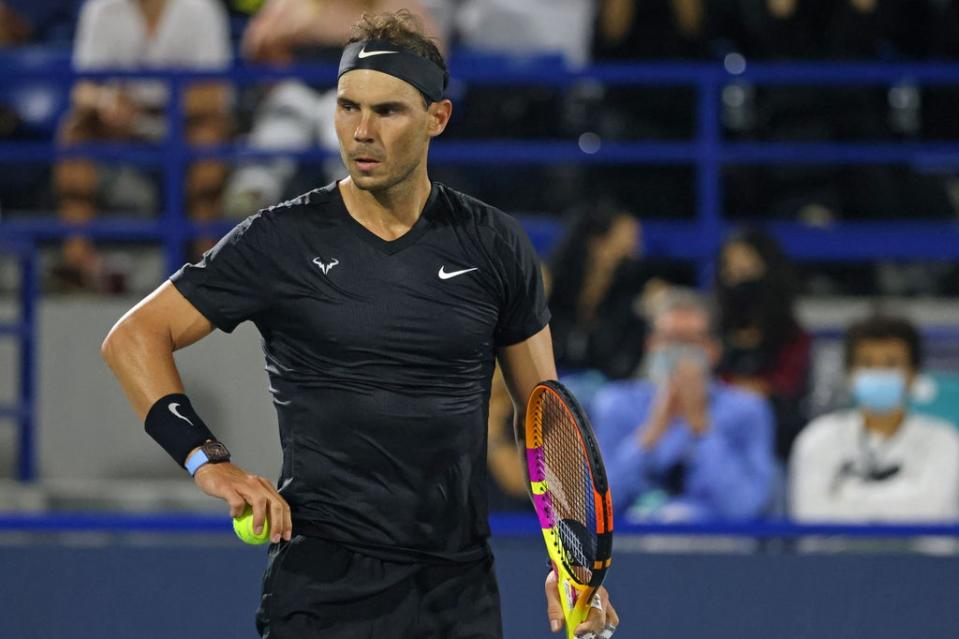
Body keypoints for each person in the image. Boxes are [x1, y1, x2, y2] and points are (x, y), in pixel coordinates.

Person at [101, 10, 618, 638]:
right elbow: (133, 337)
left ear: (437, 119)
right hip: (322, 590)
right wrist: (208, 462)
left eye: (388, 111)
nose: (361, 131)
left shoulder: (495, 245)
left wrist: (569, 568)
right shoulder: (280, 239)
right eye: (348, 107)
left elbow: (543, 417)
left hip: (456, 594)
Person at [53, 0, 232, 291]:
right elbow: (83, 88)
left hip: (183, 121)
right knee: (74, 132)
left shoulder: (202, 9)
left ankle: (206, 258)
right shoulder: (100, 9)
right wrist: (106, 102)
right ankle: (77, 260)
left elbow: (214, 94)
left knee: (209, 136)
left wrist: (159, 105)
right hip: (121, 123)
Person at [592, 288, 775, 523]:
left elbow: (746, 507)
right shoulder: (615, 405)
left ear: (712, 350)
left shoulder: (747, 411)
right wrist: (649, 435)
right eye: (670, 339)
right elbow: (596, 507)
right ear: (652, 344)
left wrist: (703, 429)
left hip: (718, 548)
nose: (678, 353)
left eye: (690, 341)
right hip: (632, 547)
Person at [790, 315, 959, 522]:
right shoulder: (818, 438)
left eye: (891, 364)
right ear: (849, 373)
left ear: (913, 373)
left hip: (919, 555)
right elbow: (811, 515)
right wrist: (903, 494)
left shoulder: (943, 441)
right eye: (867, 364)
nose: (879, 373)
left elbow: (931, 513)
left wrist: (848, 494)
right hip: (838, 555)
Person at [714, 228, 811, 460]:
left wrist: (730, 389)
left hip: (775, 443)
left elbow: (785, 390)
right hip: (718, 440)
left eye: (746, 267)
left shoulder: (793, 337)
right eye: (730, 269)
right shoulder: (714, 333)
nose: (737, 277)